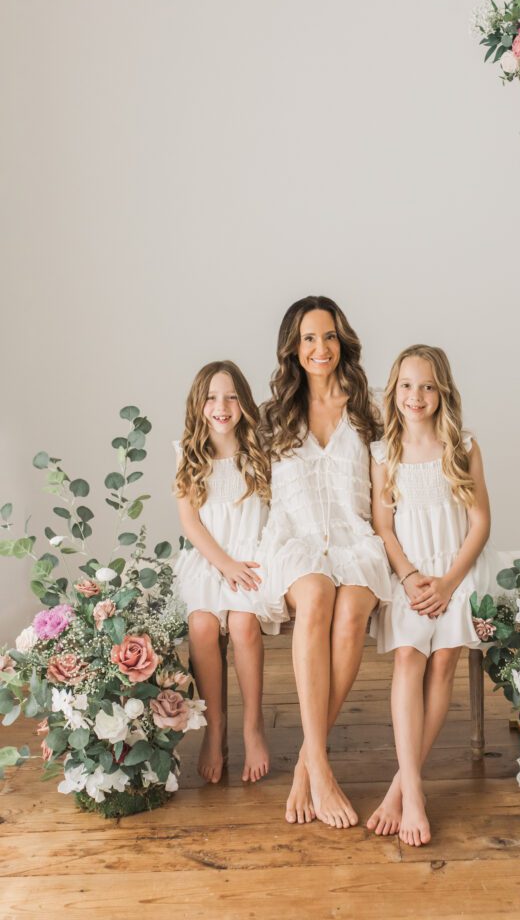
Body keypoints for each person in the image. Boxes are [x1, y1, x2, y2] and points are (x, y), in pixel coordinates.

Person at [258, 295, 393, 828]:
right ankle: (320, 765)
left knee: (352, 609)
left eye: (330, 336)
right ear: (293, 347)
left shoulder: (370, 409)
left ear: (343, 342)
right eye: (309, 338)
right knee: (315, 595)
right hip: (295, 540)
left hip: (357, 539)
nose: (321, 348)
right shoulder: (272, 416)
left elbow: (404, 470)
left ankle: (306, 765)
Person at [367, 345, 495, 846]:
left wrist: (448, 582)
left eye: (426, 386)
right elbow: (383, 526)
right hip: (411, 574)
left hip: (457, 570)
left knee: (443, 664)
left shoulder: (462, 446)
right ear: (394, 390)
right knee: (408, 657)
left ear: (442, 392)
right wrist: (409, 576)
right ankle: (414, 791)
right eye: (406, 385)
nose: (415, 396)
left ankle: (402, 789)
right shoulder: (384, 453)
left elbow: (480, 523)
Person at [174, 361, 274, 784]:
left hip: (252, 556)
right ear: (198, 405)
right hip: (210, 559)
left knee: (243, 623)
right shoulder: (188, 455)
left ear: (244, 403)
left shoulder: (259, 451)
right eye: (212, 398)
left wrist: (241, 565)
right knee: (201, 625)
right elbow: (191, 523)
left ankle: (252, 725)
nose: (222, 406)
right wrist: (224, 564)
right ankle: (215, 728)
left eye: (231, 397)